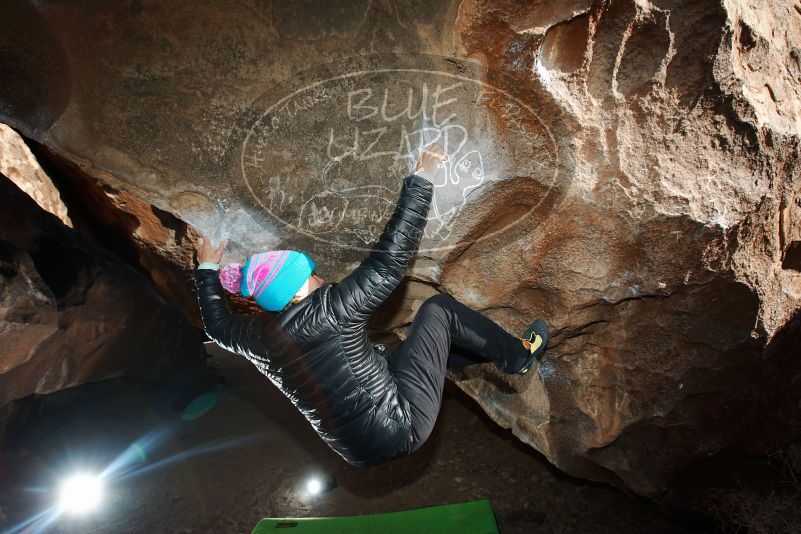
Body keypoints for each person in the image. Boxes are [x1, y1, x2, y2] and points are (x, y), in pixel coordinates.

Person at [193, 143, 548, 467]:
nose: (319, 276)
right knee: (438, 311)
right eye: (309, 274)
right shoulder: (331, 311)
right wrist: (423, 176)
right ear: (296, 292)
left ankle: (463, 357)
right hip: (401, 425)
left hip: (355, 449)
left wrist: (207, 270)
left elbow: (216, 326)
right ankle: (518, 357)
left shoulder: (258, 337)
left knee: (413, 346)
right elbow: (391, 260)